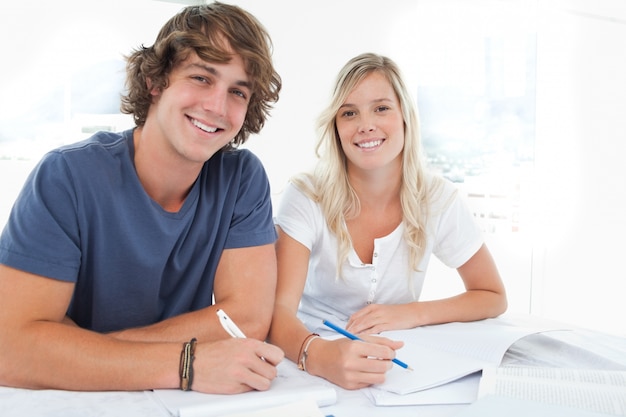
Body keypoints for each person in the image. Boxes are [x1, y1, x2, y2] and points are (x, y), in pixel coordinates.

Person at [0, 2, 284, 394]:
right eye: (202, 78)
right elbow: (12, 351)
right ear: (155, 81)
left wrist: (87, 353)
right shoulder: (65, 177)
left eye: (237, 91)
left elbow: (246, 319)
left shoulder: (242, 179)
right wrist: (188, 363)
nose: (217, 107)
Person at [268, 53, 508, 390]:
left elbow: (492, 295)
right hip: (310, 356)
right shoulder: (307, 195)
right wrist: (320, 355)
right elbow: (276, 311)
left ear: (405, 117)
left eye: (381, 108)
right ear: (336, 127)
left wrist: (410, 313)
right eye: (349, 113)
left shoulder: (437, 197)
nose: (365, 124)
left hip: (396, 365)